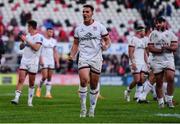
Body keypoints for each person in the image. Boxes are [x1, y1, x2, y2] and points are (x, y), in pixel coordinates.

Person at [69, 4, 111, 117]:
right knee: (83, 80)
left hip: (97, 58)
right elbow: (75, 44)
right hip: (83, 57)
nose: (84, 14)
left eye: (87, 12)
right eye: (83, 12)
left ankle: (92, 109)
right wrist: (71, 55)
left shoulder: (100, 27)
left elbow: (108, 40)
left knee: (93, 84)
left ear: (92, 13)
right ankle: (83, 108)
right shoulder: (79, 29)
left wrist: (106, 47)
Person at [11, 20, 43, 107]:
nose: (27, 28)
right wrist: (22, 41)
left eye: (28, 26)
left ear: (31, 27)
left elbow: (36, 48)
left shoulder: (39, 37)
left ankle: (29, 101)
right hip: (24, 60)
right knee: (21, 79)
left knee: (31, 83)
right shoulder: (27, 36)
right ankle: (16, 98)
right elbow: (21, 47)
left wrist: (26, 40)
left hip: (33, 62)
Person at [148, 17, 178, 108]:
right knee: (159, 82)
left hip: (168, 59)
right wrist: (159, 50)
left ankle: (169, 100)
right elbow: (150, 48)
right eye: (156, 23)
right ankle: (161, 101)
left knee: (171, 78)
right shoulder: (152, 34)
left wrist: (167, 48)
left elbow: (175, 47)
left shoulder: (171, 34)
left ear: (164, 23)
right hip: (157, 60)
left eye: (159, 22)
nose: (158, 24)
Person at [124, 25, 148, 102]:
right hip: (135, 62)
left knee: (142, 79)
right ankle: (128, 91)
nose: (144, 32)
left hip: (143, 62)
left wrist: (147, 62)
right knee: (137, 80)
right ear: (139, 31)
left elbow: (144, 53)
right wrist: (133, 62)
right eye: (143, 31)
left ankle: (138, 97)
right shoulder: (133, 39)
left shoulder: (145, 40)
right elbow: (130, 52)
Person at [36, 26, 60, 98]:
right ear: (46, 32)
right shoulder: (42, 40)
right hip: (44, 59)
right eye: (50, 31)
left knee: (49, 77)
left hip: (51, 60)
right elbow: (39, 50)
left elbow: (55, 52)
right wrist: (41, 60)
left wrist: (57, 62)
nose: (51, 33)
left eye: (52, 32)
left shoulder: (54, 41)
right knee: (44, 76)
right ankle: (39, 88)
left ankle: (48, 93)